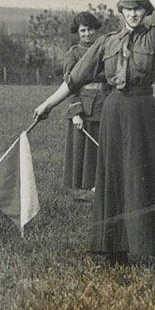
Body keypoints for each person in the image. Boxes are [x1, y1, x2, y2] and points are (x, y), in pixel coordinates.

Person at [34, 0, 155, 262]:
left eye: (139, 8)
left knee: (143, 175)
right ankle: (113, 246)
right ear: (120, 11)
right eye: (128, 9)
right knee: (113, 177)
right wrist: (48, 104)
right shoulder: (106, 43)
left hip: (142, 111)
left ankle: (149, 247)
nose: (134, 14)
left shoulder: (154, 36)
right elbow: (74, 78)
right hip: (113, 111)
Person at [61, 11, 105, 195]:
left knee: (102, 147)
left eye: (90, 30)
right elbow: (70, 86)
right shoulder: (73, 54)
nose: (87, 34)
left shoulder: (105, 48)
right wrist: (76, 112)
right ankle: (85, 188)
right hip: (85, 109)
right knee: (84, 150)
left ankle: (102, 185)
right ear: (78, 32)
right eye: (83, 31)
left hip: (105, 104)